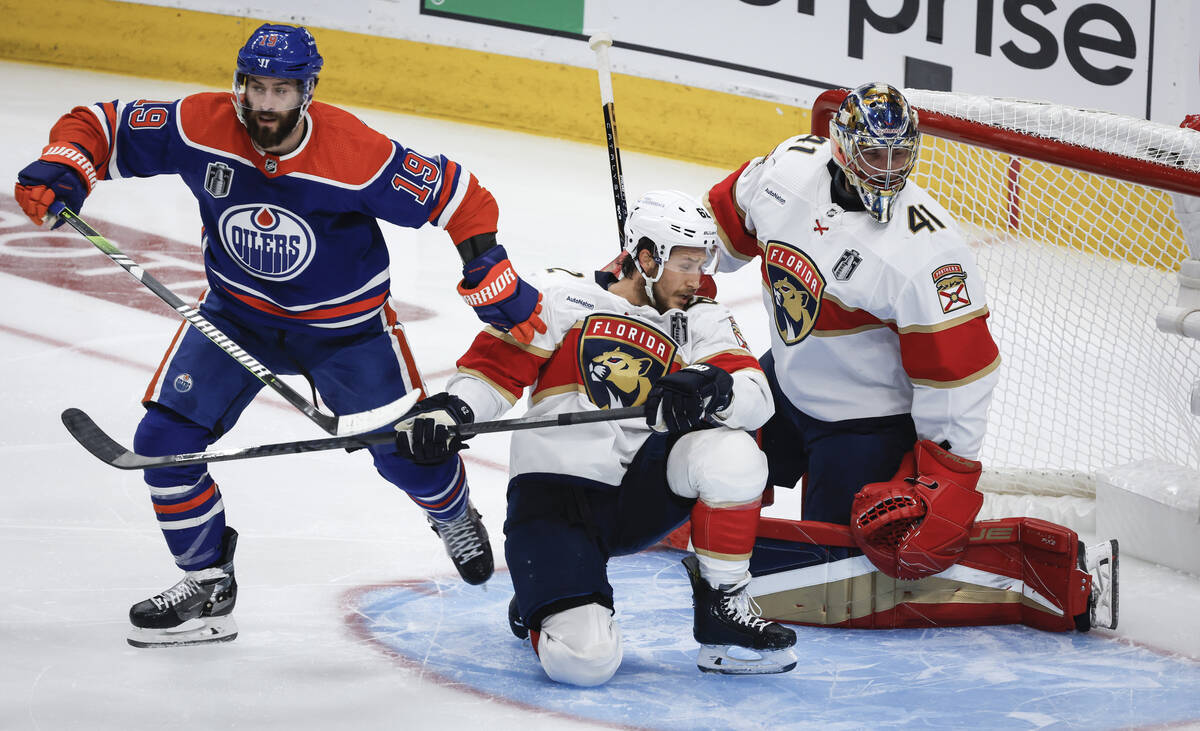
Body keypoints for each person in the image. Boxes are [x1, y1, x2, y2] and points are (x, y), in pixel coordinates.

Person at [13, 23, 546, 647]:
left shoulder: (355, 154)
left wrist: (487, 266)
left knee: (407, 451)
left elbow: (460, 195)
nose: (265, 104)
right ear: (240, 84)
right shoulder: (200, 124)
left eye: (281, 91)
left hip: (346, 331)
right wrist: (68, 161)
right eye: (255, 87)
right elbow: (102, 124)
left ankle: (452, 513)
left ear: (307, 93)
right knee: (163, 444)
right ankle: (208, 587)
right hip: (237, 315)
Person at [702, 82, 1118, 630]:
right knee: (702, 463)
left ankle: (1032, 578)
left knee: (838, 581)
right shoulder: (788, 171)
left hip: (863, 425)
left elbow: (960, 375)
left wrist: (942, 479)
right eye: (875, 152)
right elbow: (721, 229)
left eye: (902, 153)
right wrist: (664, 272)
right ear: (841, 146)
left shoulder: (928, 250)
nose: (890, 168)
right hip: (786, 378)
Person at [394, 190, 798, 684]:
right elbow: (495, 370)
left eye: (704, 261)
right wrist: (452, 411)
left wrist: (716, 388)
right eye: (685, 263)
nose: (699, 277)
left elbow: (758, 396)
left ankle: (722, 608)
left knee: (732, 452)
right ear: (646, 257)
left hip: (640, 497)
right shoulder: (565, 296)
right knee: (584, 664)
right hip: (554, 499)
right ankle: (543, 598)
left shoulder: (700, 318)